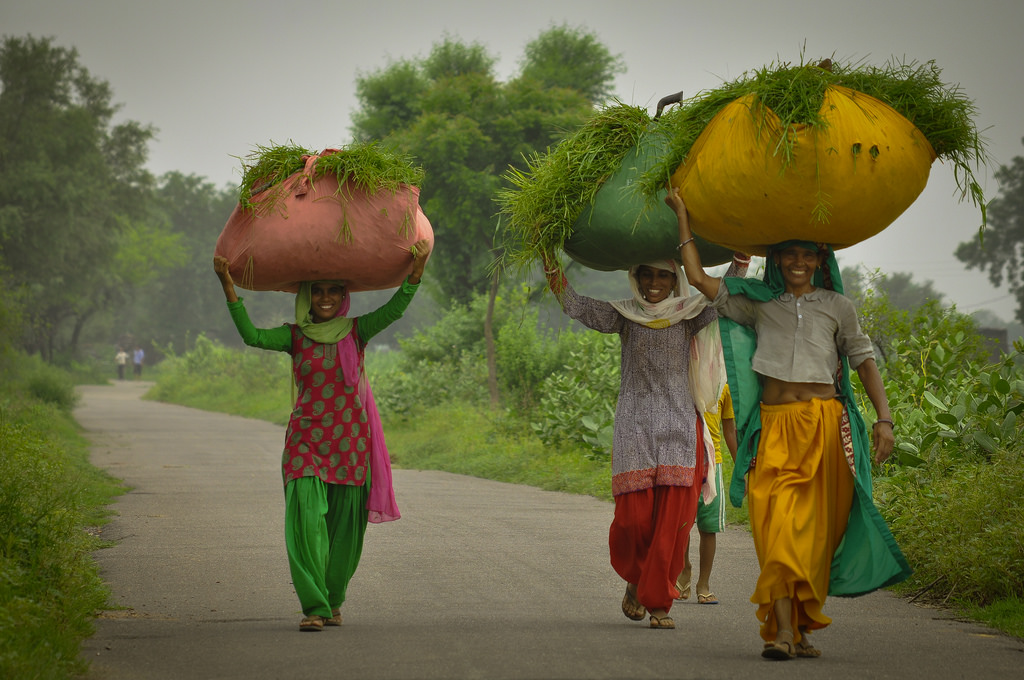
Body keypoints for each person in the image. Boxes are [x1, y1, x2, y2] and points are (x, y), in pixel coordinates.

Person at [666, 186, 910, 659]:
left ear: (819, 262)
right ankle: (780, 633)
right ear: (775, 262)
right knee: (775, 529)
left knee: (815, 535)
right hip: (775, 430)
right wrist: (682, 217)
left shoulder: (838, 307)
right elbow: (696, 277)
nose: (798, 263)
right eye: (788, 256)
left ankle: (798, 627)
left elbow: (863, 360)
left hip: (825, 428)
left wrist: (885, 419)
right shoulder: (757, 303)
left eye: (807, 255)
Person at [213, 239, 431, 632]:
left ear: (343, 297)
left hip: (350, 445)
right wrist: (228, 284)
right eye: (318, 292)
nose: (326, 299)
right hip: (305, 444)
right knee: (305, 522)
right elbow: (252, 336)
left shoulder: (356, 332)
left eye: (334, 291)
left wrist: (416, 272)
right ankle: (313, 606)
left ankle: (333, 600)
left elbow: (395, 310)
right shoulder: (295, 337)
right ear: (306, 297)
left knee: (344, 532)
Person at [543, 248, 747, 629]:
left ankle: (659, 604)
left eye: (663, 277)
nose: (654, 284)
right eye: (647, 276)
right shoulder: (624, 316)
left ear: (675, 281)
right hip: (634, 428)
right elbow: (574, 304)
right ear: (636, 278)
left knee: (670, 522)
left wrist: (742, 258)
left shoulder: (689, 314)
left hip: (678, 428)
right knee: (634, 521)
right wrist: (547, 259)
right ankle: (636, 580)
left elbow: (725, 295)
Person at [675, 382, 737, 606]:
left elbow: (729, 429)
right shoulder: (686, 380)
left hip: (713, 464)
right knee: (682, 523)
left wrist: (741, 469)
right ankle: (684, 570)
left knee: (708, 527)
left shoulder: (723, 387)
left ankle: (704, 583)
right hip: (683, 460)